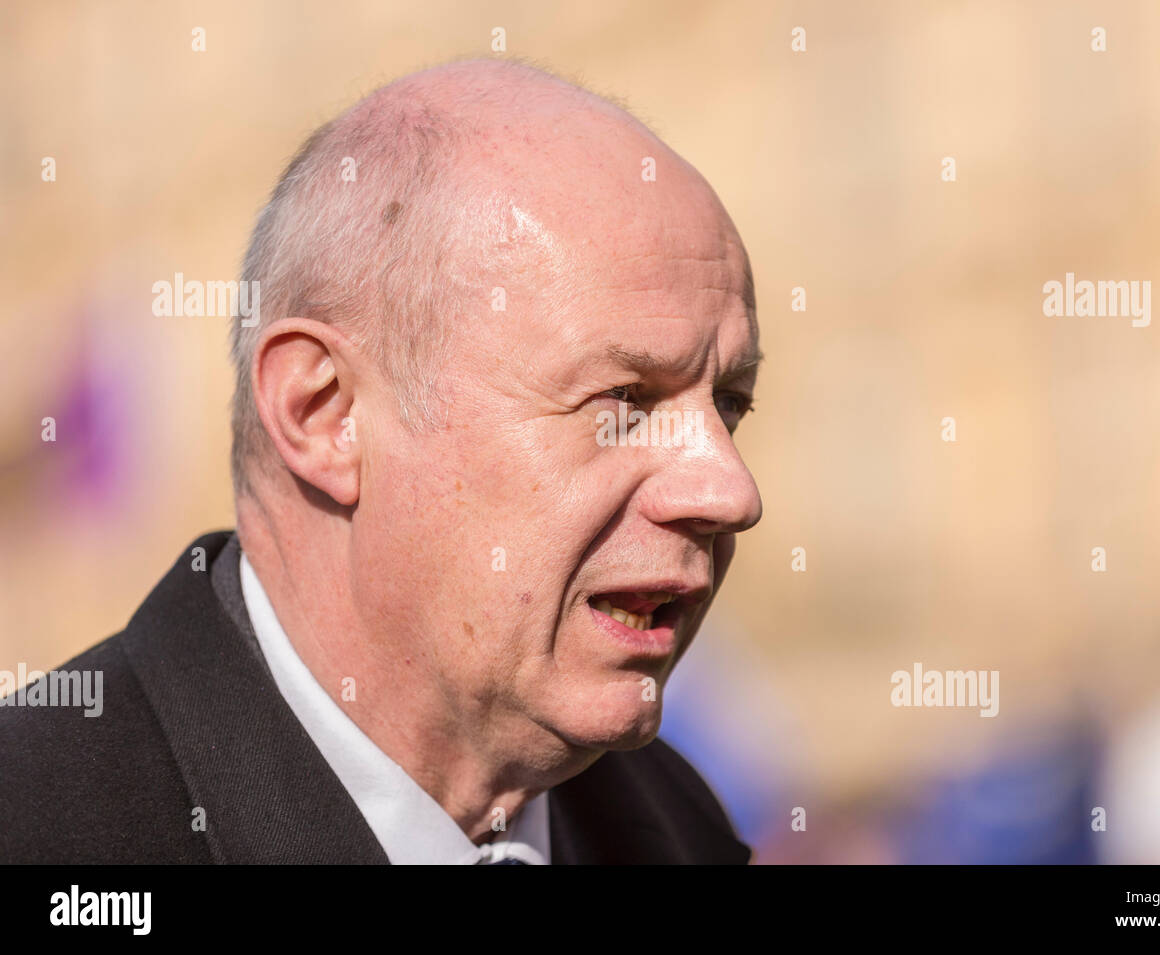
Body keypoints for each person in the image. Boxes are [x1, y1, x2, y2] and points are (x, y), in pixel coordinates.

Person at [0, 57, 763, 864]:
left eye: (730, 405)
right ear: (323, 412)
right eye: (624, 400)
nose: (729, 489)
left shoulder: (676, 827)